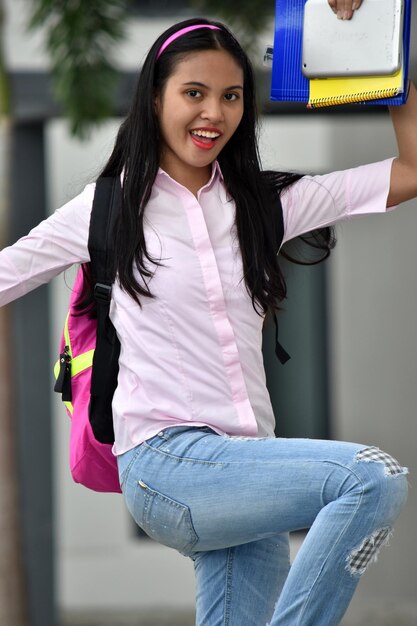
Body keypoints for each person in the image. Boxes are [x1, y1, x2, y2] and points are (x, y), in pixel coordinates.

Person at [0, 2, 415, 624]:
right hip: (167, 466)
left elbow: (409, 169)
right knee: (372, 479)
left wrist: (389, 50)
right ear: (154, 101)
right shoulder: (106, 208)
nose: (214, 113)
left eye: (232, 96)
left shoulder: (264, 205)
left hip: (248, 470)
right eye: (194, 92)